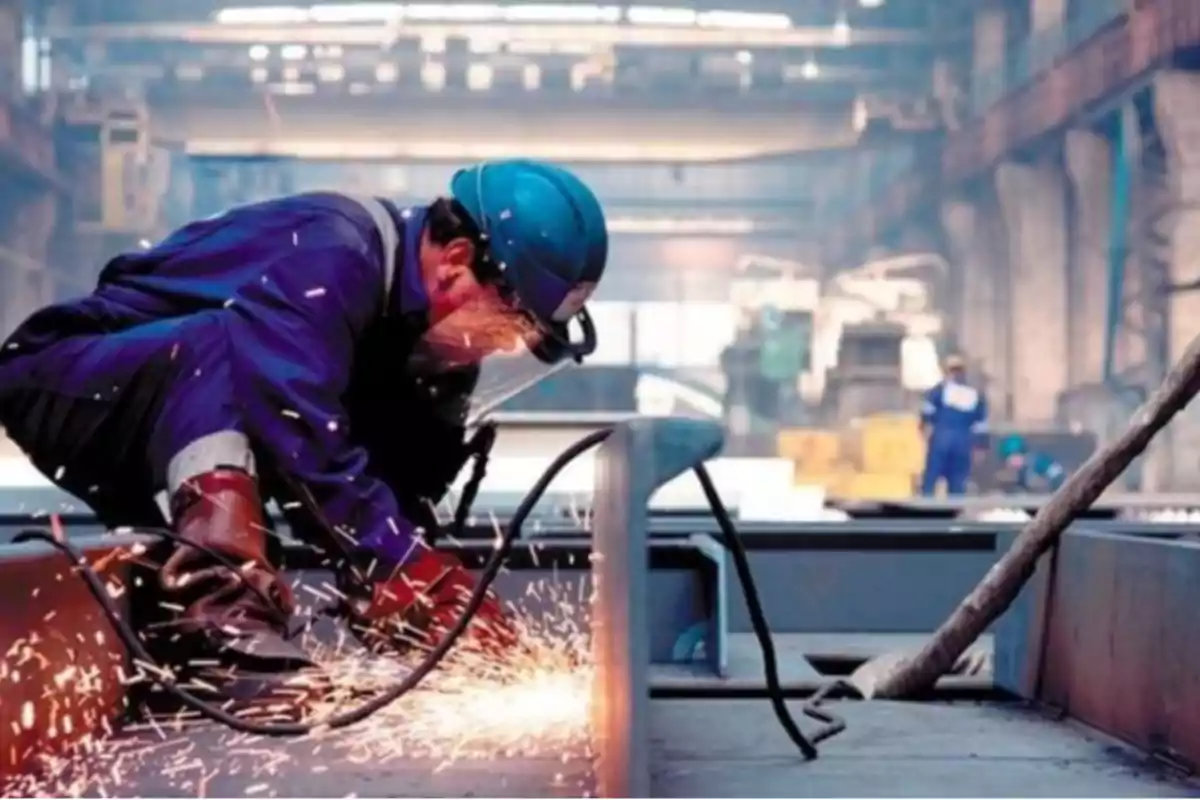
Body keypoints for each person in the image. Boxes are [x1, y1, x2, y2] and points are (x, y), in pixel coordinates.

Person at [0, 159, 608, 697]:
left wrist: (429, 605)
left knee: (363, 418)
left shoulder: (411, 344)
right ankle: (217, 615)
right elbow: (297, 422)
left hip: (177, 415)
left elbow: (382, 500)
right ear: (454, 264)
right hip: (67, 376)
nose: (502, 346)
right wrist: (397, 562)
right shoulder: (335, 251)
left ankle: (198, 615)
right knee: (230, 346)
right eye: (510, 324)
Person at [919, 354, 988, 496]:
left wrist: (923, 430)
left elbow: (927, 413)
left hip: (941, 439)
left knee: (931, 478)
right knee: (957, 481)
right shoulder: (975, 394)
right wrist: (980, 446)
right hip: (963, 441)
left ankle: (924, 512)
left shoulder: (938, 391)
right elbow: (980, 425)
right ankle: (954, 513)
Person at [996, 434, 1066, 493]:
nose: (1012, 464)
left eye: (1014, 458)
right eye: (1009, 461)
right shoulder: (1020, 472)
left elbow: (1059, 477)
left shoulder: (1039, 462)